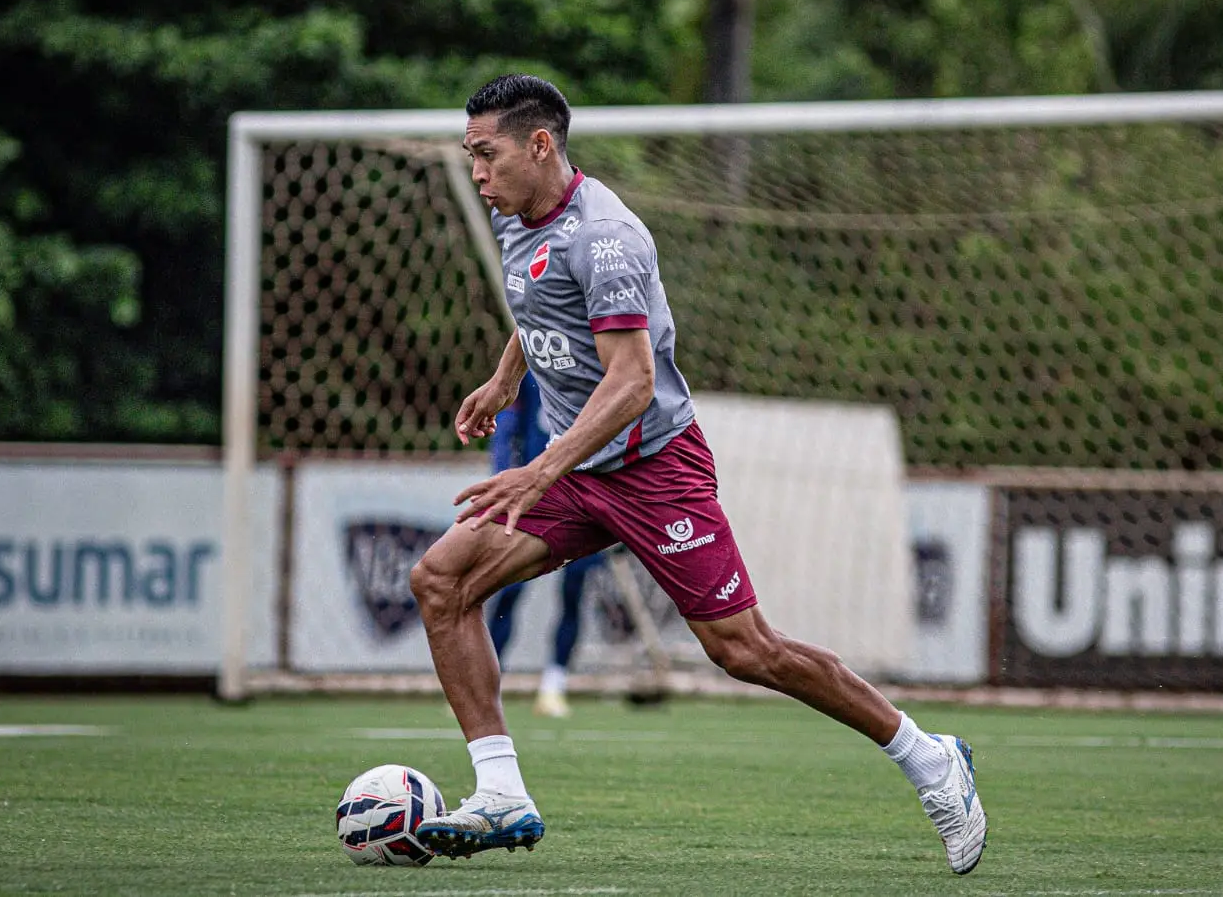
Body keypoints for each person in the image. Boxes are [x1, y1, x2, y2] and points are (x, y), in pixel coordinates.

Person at [409, 74, 986, 875]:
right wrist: (507, 377)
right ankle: (501, 792)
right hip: (580, 468)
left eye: (486, 154)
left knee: (745, 651)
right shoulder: (521, 214)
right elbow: (542, 299)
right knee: (441, 582)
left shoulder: (606, 237)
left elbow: (633, 381)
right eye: (470, 155)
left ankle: (929, 757)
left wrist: (538, 468)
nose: (477, 173)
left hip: (651, 468)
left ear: (539, 146)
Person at [485, 371, 605, 719]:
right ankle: (487, 683)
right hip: (535, 496)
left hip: (587, 496)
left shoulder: (603, 363)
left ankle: (555, 684)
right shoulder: (532, 367)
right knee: (507, 589)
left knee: (573, 591)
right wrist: (503, 475)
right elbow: (507, 425)